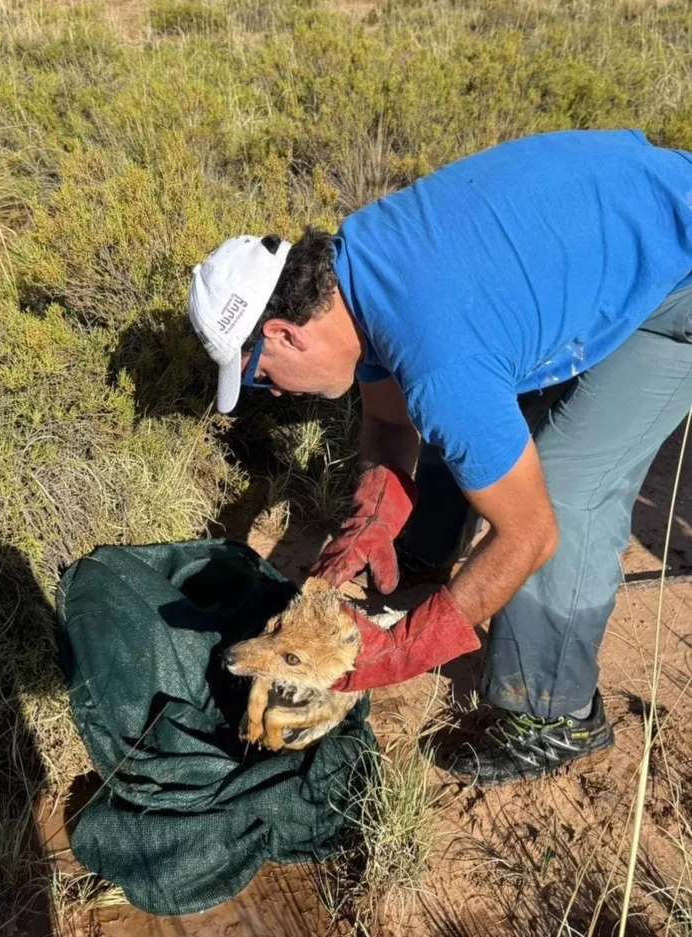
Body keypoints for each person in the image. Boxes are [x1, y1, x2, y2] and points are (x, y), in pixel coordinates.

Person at [188, 129, 692, 787]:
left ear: (283, 332)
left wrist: (406, 647)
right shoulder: (355, 271)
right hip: (624, 216)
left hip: (676, 273)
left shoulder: (439, 359)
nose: (274, 392)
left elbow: (531, 534)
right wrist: (372, 515)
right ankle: (428, 545)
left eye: (261, 375)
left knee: (563, 486)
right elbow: (391, 424)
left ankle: (557, 714)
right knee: (481, 420)